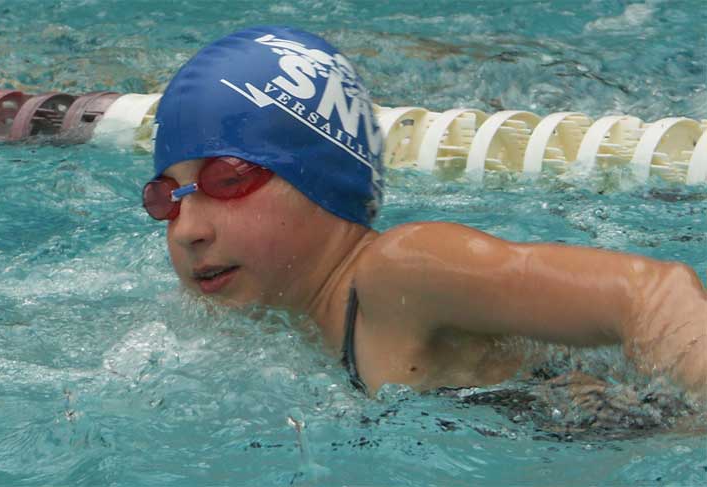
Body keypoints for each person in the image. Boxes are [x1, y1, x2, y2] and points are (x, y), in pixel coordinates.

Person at [143, 25, 706, 398]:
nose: (188, 229)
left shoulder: (403, 271)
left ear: (320, 173)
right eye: (165, 197)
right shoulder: (283, 325)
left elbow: (652, 292)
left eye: (228, 180)